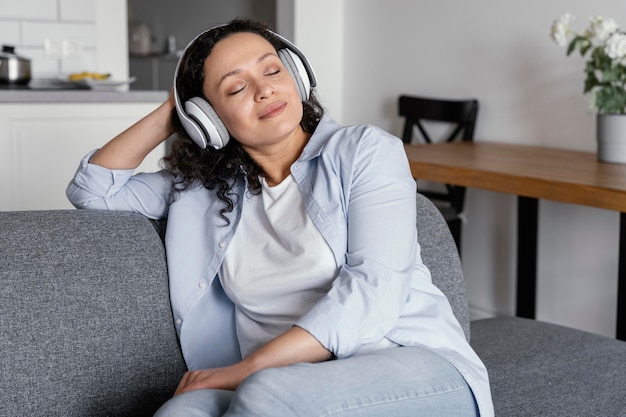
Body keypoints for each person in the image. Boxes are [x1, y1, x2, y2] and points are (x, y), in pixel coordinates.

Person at [67, 18, 494, 417]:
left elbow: (375, 289)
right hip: (279, 384)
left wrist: (245, 370)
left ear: (297, 75)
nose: (264, 90)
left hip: (408, 366)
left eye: (272, 71)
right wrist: (176, 109)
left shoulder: (365, 151)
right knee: (179, 411)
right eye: (235, 89)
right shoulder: (201, 190)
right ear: (209, 120)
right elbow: (93, 190)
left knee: (265, 394)